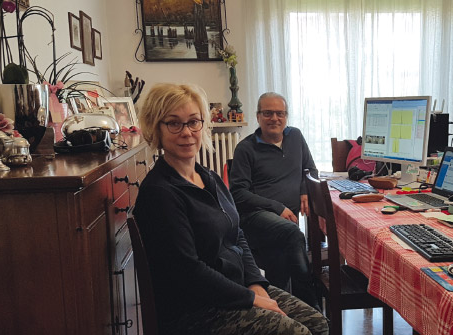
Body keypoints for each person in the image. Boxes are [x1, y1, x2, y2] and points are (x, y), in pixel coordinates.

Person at [133, 84, 328, 335]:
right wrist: (251, 298)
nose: (187, 132)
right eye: (173, 123)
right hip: (198, 309)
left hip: (235, 288)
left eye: (193, 122)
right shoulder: (160, 192)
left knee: (317, 323)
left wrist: (256, 283)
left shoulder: (209, 177)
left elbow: (237, 236)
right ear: (155, 129)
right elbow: (188, 271)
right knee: (296, 332)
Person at [229, 92, 321, 309]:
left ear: (286, 116)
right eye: (268, 113)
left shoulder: (296, 137)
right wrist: (277, 207)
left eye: (280, 113)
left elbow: (311, 170)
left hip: (284, 222)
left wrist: (304, 190)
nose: (274, 118)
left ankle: (284, 307)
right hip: (255, 217)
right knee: (292, 234)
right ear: (258, 116)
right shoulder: (246, 148)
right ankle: (311, 303)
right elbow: (238, 194)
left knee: (283, 251)